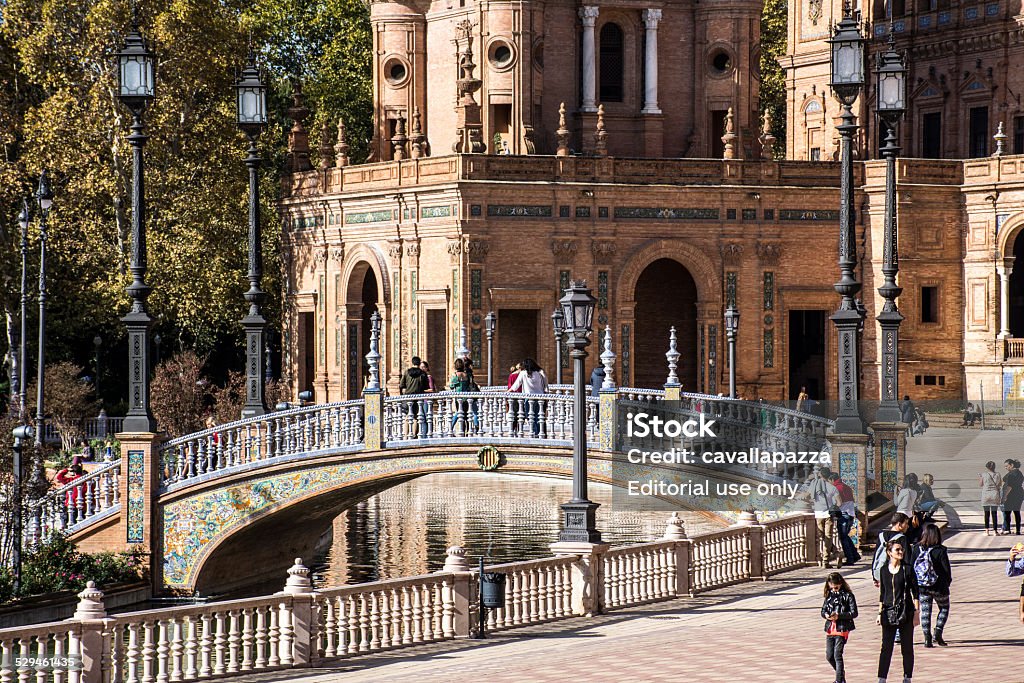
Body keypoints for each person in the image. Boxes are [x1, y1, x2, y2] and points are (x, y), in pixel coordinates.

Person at [876, 539, 920, 683]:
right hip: (888, 612)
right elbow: (883, 593)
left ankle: (907, 676)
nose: (901, 552)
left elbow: (916, 592)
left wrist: (916, 613)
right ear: (889, 553)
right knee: (886, 647)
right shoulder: (883, 570)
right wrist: (879, 612)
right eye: (897, 550)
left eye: (901, 549)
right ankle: (882, 678)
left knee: (907, 647)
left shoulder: (907, 569)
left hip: (905, 612)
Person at [911, 523, 952, 648]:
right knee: (944, 608)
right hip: (939, 587)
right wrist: (947, 583)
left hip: (922, 586)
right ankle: (938, 632)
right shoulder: (940, 550)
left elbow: (912, 567)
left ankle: (927, 638)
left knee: (925, 611)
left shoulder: (917, 548)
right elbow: (946, 570)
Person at [820, 571, 858, 683]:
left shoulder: (848, 596)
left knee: (837, 654)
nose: (834, 588)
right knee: (829, 655)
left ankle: (838, 680)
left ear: (841, 583)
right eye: (832, 586)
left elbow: (854, 613)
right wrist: (826, 615)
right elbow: (823, 610)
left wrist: (839, 616)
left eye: (836, 586)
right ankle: (841, 674)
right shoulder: (829, 595)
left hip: (842, 628)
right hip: (830, 628)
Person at [810, 467, 840, 567]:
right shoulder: (832, 488)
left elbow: (808, 496)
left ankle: (827, 559)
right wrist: (834, 506)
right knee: (828, 536)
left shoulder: (814, 486)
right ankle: (833, 555)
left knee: (824, 537)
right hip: (829, 515)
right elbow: (839, 502)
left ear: (820, 474)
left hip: (818, 515)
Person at [510, 358, 549, 437]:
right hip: (540, 397)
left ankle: (534, 432)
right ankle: (541, 433)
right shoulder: (540, 373)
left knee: (530, 416)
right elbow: (546, 384)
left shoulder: (523, 373)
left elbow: (516, 385)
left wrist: (508, 391)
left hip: (529, 397)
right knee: (540, 416)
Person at [830, 472, 861, 566]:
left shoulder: (836, 488)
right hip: (850, 514)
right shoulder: (846, 487)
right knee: (846, 536)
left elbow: (838, 502)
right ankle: (855, 555)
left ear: (832, 480)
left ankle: (850, 558)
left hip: (844, 514)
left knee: (843, 537)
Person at [873, 513, 912, 587]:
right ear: (899, 524)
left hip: (882, 572)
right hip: (897, 573)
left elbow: (876, 556)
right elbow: (907, 558)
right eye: (906, 523)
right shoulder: (902, 539)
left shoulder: (881, 536)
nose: (908, 526)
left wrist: (874, 576)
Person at [449, 358, 479, 433]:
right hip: (466, 397)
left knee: (459, 413)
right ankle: (468, 430)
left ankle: (451, 428)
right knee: (466, 414)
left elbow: (451, 386)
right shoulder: (466, 375)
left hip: (458, 398)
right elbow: (470, 384)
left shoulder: (455, 375)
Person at [895, 473, 921, 543]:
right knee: (907, 530)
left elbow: (896, 503)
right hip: (909, 513)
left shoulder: (904, 491)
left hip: (901, 513)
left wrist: (895, 492)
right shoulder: (914, 492)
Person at [1002, 458, 1024, 535]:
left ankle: (1007, 529)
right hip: (1019, 494)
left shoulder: (1011, 475)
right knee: (1016, 512)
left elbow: (1009, 487)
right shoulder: (1019, 473)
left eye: (1007, 466)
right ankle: (1018, 530)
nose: (1006, 468)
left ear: (1011, 465)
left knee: (1007, 512)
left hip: (1011, 495)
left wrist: (1004, 496)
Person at [980, 460, 1003, 535]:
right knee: (994, 513)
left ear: (987, 467)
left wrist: (980, 477)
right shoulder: (998, 474)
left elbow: (981, 484)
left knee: (986, 513)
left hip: (986, 495)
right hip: (994, 495)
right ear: (994, 467)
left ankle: (987, 531)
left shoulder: (984, 474)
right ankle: (995, 531)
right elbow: (999, 484)